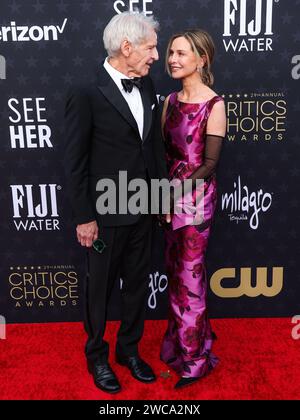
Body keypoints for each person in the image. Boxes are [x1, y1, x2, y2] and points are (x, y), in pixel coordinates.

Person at [64, 12, 167, 394]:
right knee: (99, 291)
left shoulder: (147, 83)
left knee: (138, 285)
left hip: (143, 210)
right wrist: (84, 217)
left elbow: (152, 146)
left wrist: (160, 198)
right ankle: (97, 356)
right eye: (151, 47)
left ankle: (129, 350)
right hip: (104, 216)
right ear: (127, 47)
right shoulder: (86, 90)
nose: (156, 56)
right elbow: (74, 161)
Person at [160, 29, 227, 389]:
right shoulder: (169, 101)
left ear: (202, 59)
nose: (172, 59)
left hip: (196, 200)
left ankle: (195, 361)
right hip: (166, 197)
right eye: (171, 52)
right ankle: (180, 345)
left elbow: (209, 164)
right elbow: (161, 154)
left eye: (181, 53)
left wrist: (171, 195)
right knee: (174, 273)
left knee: (191, 279)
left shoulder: (214, 105)